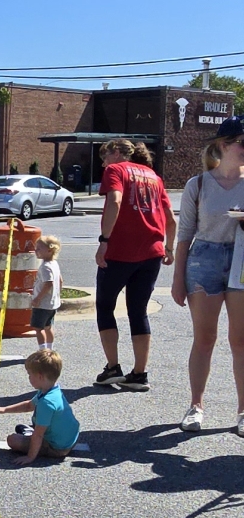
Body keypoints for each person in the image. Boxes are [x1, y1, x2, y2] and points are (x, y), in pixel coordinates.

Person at [171, 116, 244, 435]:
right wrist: (177, 279)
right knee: (204, 338)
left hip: (241, 259)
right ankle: (196, 406)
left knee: (241, 340)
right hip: (204, 261)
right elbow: (185, 234)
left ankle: (243, 411)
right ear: (224, 145)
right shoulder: (198, 184)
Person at [94, 139, 177, 391]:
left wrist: (104, 240)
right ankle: (139, 374)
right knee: (138, 310)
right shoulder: (153, 176)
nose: (104, 163)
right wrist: (169, 247)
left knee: (105, 306)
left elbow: (115, 201)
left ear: (117, 152)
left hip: (120, 251)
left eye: (105, 157)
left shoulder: (115, 170)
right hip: (152, 252)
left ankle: (112, 368)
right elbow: (170, 218)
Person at [0, 349, 79, 466]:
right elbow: (29, 405)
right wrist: (4, 409)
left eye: (30, 374)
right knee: (39, 429)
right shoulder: (51, 390)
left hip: (58, 448)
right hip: (72, 439)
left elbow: (38, 435)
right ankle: (32, 432)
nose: (29, 377)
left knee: (12, 440)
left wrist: (30, 457)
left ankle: (30, 434)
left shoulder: (46, 403)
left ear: (40, 376)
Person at [31, 235, 62, 350]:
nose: (36, 251)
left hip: (42, 304)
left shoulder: (45, 267)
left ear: (49, 250)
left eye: (39, 248)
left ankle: (42, 350)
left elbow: (48, 284)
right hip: (52, 303)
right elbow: (60, 280)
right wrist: (58, 294)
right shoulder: (54, 264)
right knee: (48, 327)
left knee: (39, 329)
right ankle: (50, 349)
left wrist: (37, 298)